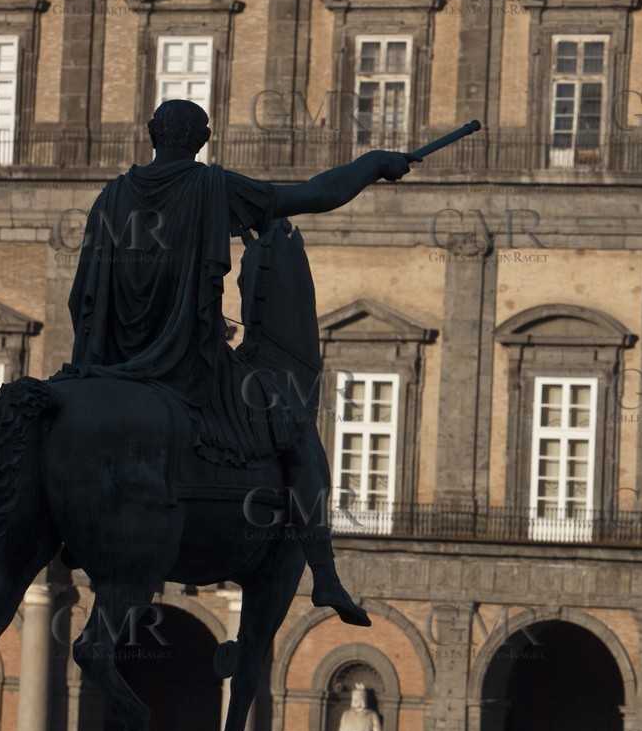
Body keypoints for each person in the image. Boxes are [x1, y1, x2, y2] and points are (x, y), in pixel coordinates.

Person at [60, 99, 419, 625]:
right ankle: (324, 574)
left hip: (111, 366)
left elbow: (81, 300)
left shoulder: (109, 198)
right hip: (188, 365)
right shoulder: (211, 188)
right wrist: (372, 164)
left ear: (152, 134)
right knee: (295, 431)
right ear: (202, 140)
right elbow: (317, 194)